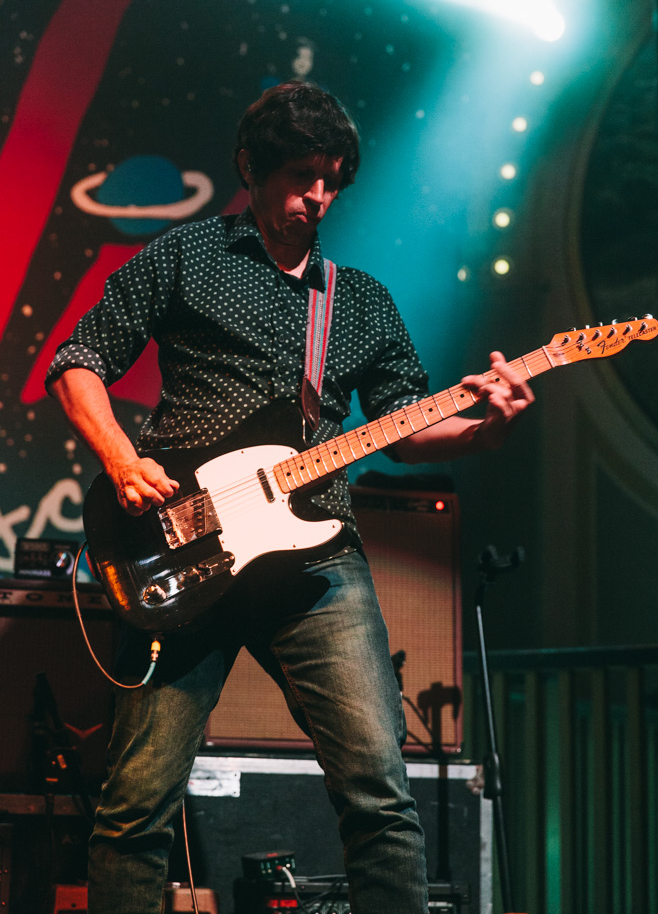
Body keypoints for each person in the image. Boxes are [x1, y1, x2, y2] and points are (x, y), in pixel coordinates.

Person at [46, 81, 534, 914]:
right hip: (185, 549)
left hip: (317, 562)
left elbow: (403, 429)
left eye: (334, 179)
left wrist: (485, 431)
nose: (320, 195)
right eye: (305, 175)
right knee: (133, 810)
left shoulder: (360, 300)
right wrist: (123, 461)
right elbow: (78, 359)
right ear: (251, 167)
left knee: (381, 793)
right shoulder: (187, 257)